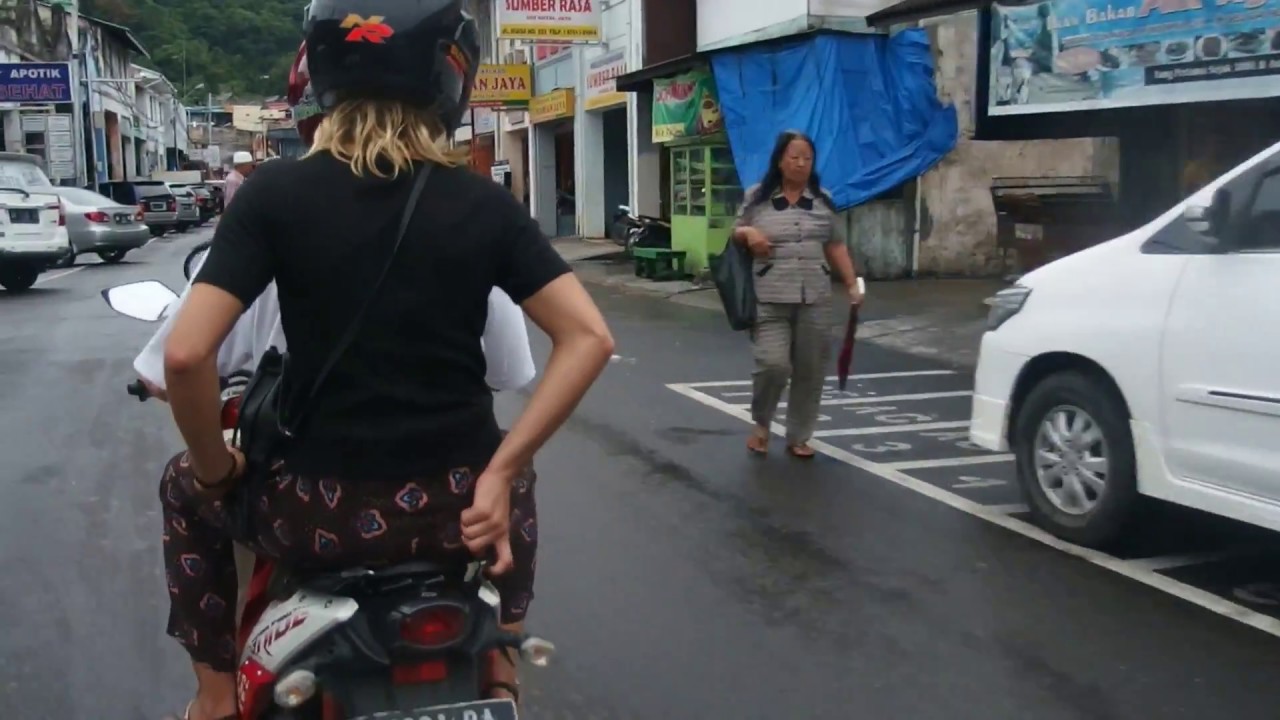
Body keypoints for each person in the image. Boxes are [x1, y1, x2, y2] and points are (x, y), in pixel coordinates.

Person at [157, 4, 614, 716]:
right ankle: (501, 658)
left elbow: (185, 356)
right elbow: (589, 338)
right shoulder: (485, 203)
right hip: (460, 508)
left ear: (324, 77)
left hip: (321, 512)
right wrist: (498, 472)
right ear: (449, 80)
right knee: (515, 473)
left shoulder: (273, 195)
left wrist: (217, 469)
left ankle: (214, 695)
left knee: (185, 485)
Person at [733, 130, 862, 459]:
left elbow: (835, 245)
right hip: (769, 296)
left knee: (810, 370)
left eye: (807, 158)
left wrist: (852, 284)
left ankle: (799, 436)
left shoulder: (823, 200)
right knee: (773, 365)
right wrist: (749, 234)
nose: (801, 163)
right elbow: (735, 232)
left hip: (815, 298)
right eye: (794, 157)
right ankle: (762, 424)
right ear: (780, 160)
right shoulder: (757, 197)